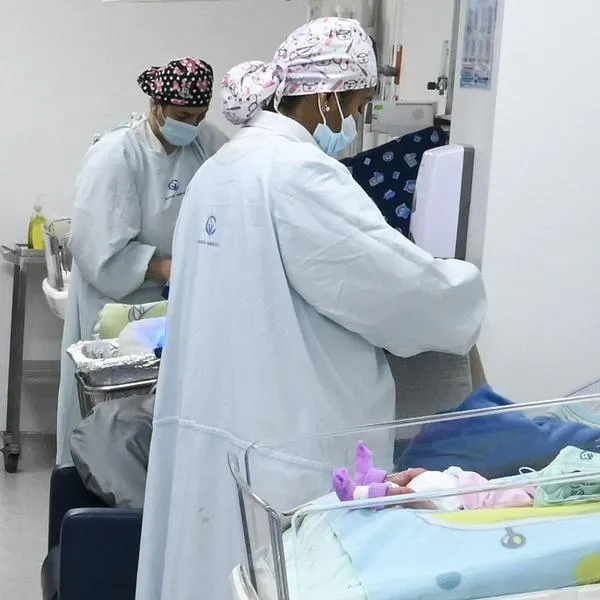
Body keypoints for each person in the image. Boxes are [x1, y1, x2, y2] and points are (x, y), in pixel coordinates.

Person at [136, 18, 486, 600]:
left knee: (207, 571)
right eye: (358, 106)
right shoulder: (300, 173)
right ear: (326, 98)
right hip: (283, 449)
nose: (355, 124)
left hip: (218, 431)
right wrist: (465, 287)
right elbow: (393, 288)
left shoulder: (224, 166)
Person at [55, 57, 228, 466]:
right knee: (115, 425)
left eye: (200, 115)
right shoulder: (117, 156)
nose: (192, 123)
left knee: (168, 421)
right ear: (155, 104)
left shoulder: (205, 143)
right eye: (183, 115)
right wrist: (171, 269)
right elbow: (100, 249)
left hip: (177, 301)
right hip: (119, 303)